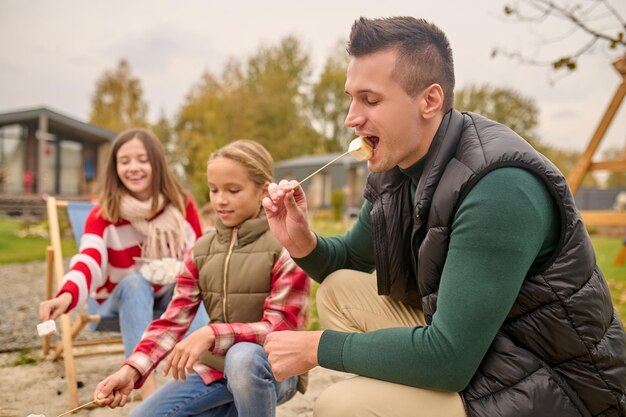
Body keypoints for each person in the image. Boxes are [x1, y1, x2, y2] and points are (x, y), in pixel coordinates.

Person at [262, 16, 626, 417]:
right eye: (351, 97)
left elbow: (448, 357)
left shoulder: (499, 187)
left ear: (430, 101)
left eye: (370, 100)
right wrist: (301, 241)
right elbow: (350, 259)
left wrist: (317, 347)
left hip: (557, 389)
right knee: (339, 290)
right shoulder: (396, 170)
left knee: (340, 405)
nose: (351, 117)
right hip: (486, 354)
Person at [93, 140, 310, 417]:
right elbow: (173, 321)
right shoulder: (200, 250)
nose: (220, 200)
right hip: (215, 373)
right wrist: (131, 370)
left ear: (263, 191)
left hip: (274, 369)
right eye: (213, 189)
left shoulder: (287, 245)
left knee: (242, 358)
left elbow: (282, 328)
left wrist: (211, 333)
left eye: (233, 190)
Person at [39, 128, 208, 399]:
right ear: (115, 168)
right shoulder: (104, 214)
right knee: (134, 282)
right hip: (120, 302)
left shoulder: (180, 206)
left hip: (172, 299)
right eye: (124, 161)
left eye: (142, 159)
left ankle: (202, 385)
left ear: (157, 163)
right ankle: (150, 401)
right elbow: (89, 258)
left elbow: (200, 258)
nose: (133, 168)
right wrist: (67, 295)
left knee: (196, 284)